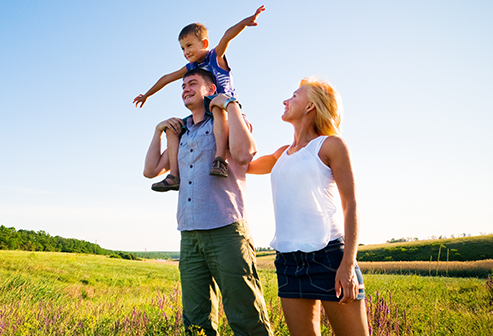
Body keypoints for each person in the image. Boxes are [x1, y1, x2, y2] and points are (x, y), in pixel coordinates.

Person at [143, 68, 273, 336]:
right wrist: (158, 131)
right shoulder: (183, 133)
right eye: (182, 86)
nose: (185, 89)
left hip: (225, 229)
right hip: (189, 234)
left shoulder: (227, 120)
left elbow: (245, 153)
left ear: (210, 90)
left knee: (245, 314)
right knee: (195, 319)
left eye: (192, 83)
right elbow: (151, 170)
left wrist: (230, 105)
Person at [247, 77, 369, 336]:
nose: (285, 100)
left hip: (329, 256)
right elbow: (241, 164)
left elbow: (351, 205)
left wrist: (348, 263)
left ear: (310, 106)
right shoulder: (281, 154)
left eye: (293, 96)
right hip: (288, 261)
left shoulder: (331, 145)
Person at [135, 6, 265, 192]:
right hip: (204, 111)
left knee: (216, 107)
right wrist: (147, 94)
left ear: (204, 43)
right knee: (174, 128)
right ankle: (174, 175)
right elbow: (167, 78)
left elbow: (227, 36)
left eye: (189, 46)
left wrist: (245, 22)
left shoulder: (215, 57)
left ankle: (219, 159)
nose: (186, 51)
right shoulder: (191, 67)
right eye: (182, 48)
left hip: (223, 105)